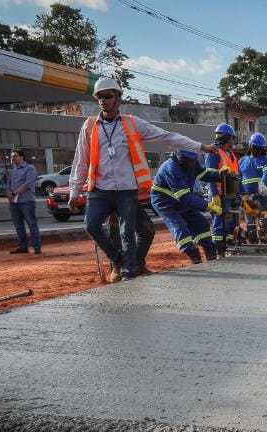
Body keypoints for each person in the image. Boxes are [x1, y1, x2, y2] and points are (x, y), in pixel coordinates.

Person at [68, 77, 217, 282]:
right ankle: (118, 261)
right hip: (100, 189)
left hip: (126, 189)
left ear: (118, 99)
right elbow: (80, 161)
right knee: (91, 225)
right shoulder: (90, 126)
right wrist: (74, 192)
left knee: (127, 232)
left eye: (107, 96)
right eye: (99, 97)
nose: (103, 100)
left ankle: (129, 274)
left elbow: (167, 137)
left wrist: (200, 147)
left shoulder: (132, 124)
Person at [150, 149, 222, 264]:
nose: (193, 163)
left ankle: (211, 253)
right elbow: (185, 198)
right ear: (180, 158)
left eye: (194, 160)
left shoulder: (192, 161)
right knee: (180, 227)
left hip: (181, 200)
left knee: (201, 223)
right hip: (165, 202)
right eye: (190, 161)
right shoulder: (172, 169)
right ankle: (195, 258)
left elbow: (203, 173)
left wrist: (220, 175)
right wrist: (208, 206)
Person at [204, 123, 240, 257]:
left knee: (232, 224)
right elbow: (210, 176)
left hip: (231, 195)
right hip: (219, 195)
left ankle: (230, 249)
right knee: (219, 225)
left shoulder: (231, 154)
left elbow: (237, 176)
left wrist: (239, 195)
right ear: (226, 138)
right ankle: (219, 253)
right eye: (231, 138)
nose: (233, 141)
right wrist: (214, 196)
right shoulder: (213, 153)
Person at [238, 132, 267, 244]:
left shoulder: (265, 160)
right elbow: (239, 178)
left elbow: (266, 172)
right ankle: (253, 242)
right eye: (254, 146)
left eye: (258, 147)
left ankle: (265, 243)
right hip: (247, 198)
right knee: (250, 224)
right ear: (250, 146)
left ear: (262, 148)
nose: (256, 149)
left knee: (263, 221)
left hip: (261, 195)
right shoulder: (242, 161)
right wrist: (240, 194)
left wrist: (263, 184)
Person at [7, 149, 42, 254]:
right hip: (14, 202)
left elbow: (28, 184)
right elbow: (8, 183)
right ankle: (23, 247)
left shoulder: (30, 168)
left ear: (22, 157)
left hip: (27, 201)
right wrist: (8, 193)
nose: (13, 158)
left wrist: (14, 193)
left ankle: (37, 247)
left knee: (31, 224)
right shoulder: (12, 170)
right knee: (18, 225)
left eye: (15, 156)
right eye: (11, 157)